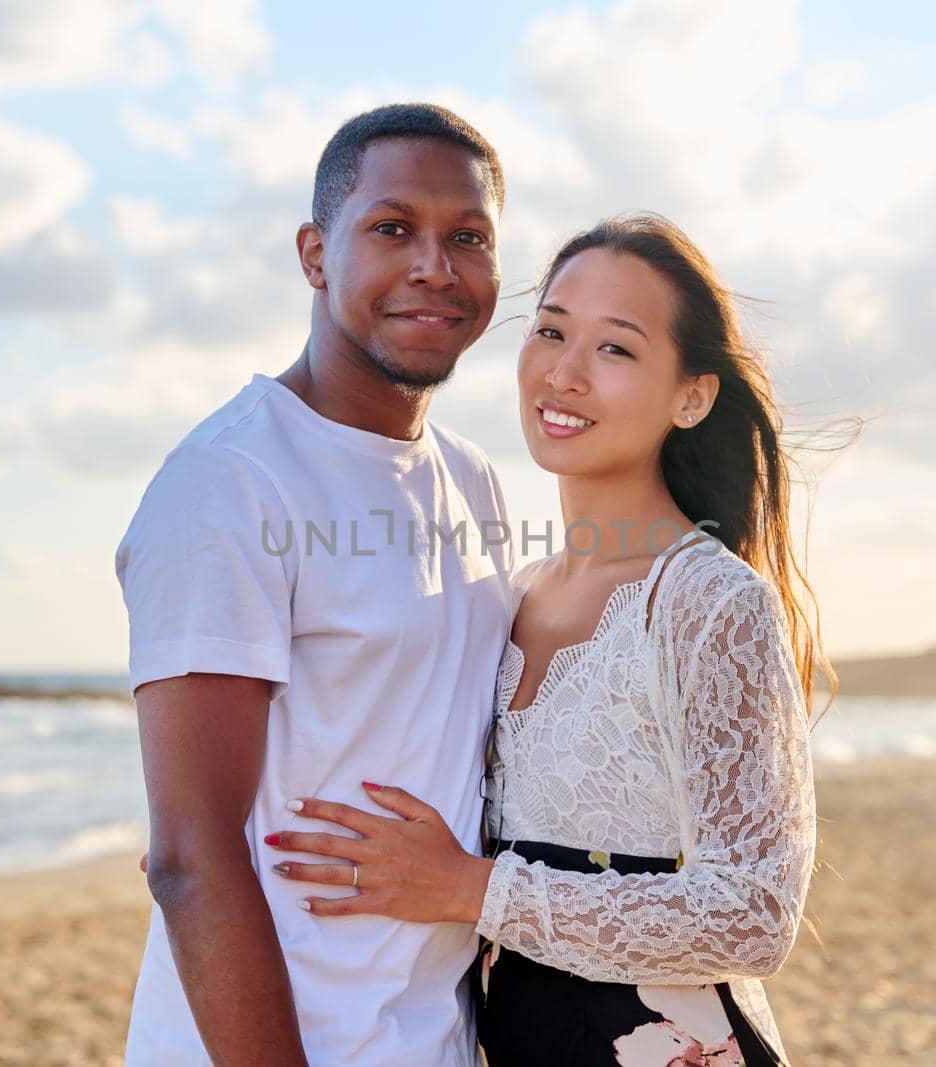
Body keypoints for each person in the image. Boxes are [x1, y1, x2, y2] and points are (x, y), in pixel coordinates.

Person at [270, 214, 827, 1066]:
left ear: (692, 395)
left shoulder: (710, 602)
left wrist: (473, 888)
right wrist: (233, 830)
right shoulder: (514, 593)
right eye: (552, 330)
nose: (564, 373)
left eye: (616, 349)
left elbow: (756, 913)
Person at [114, 103, 516, 1067]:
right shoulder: (230, 480)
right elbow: (189, 856)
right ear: (314, 253)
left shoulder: (475, 479)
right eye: (392, 229)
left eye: (467, 237)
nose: (434, 265)